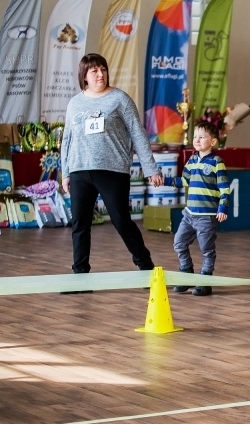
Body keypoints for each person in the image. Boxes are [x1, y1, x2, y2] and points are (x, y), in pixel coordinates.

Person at [61, 53, 163, 278]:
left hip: (113, 170)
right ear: (84, 76)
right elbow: (67, 139)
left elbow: (138, 133)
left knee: (121, 220)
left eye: (103, 69)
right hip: (79, 171)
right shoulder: (75, 103)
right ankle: (80, 274)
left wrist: (150, 168)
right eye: (94, 71)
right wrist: (65, 173)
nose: (100, 74)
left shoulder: (120, 99)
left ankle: (146, 268)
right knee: (80, 224)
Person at [166, 121, 230, 296]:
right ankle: (187, 275)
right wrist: (163, 180)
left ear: (213, 142)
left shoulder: (217, 162)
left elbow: (225, 189)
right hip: (189, 214)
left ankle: (205, 281)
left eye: (202, 137)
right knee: (179, 243)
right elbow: (183, 181)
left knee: (206, 249)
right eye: (195, 137)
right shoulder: (192, 160)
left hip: (206, 216)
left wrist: (222, 208)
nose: (197, 140)